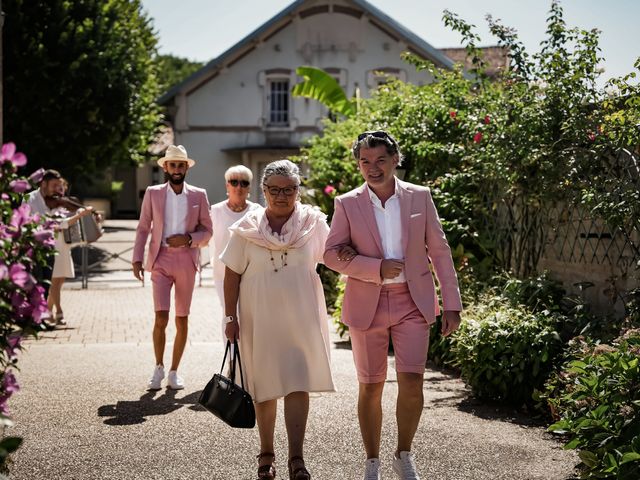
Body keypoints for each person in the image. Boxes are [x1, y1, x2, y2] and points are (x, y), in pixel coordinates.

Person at [323, 131, 463, 480]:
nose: (373, 168)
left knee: (413, 381)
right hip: (366, 302)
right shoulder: (347, 203)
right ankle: (372, 462)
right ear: (358, 164)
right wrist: (374, 268)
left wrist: (452, 303)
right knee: (370, 385)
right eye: (365, 162)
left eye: (380, 160)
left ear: (395, 159)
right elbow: (329, 254)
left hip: (413, 302)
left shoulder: (419, 197)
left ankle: (404, 454)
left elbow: (440, 251)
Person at [221, 159, 334, 480]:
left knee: (298, 383)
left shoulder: (314, 223)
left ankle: (297, 459)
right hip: (259, 318)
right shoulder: (246, 227)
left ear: (298, 191)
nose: (281, 196)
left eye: (289, 189)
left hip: (301, 317)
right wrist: (230, 317)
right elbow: (231, 275)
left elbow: (337, 257)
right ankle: (266, 454)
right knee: (264, 385)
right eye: (274, 190)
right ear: (264, 191)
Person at [132, 145, 212, 391]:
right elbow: (144, 226)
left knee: (182, 318)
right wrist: (137, 258)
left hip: (186, 261)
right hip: (160, 260)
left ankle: (175, 370)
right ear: (165, 167)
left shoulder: (199, 195)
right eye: (172, 165)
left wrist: (188, 239)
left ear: (186, 167)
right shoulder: (153, 193)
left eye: (180, 165)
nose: (177, 169)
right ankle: (158, 367)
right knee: (161, 317)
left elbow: (208, 231)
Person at [208, 165, 259, 343]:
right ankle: (231, 362)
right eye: (234, 182)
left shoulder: (257, 211)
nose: (239, 187)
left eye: (244, 183)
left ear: (249, 188)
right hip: (223, 274)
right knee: (229, 316)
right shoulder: (214, 211)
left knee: (249, 316)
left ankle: (247, 361)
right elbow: (206, 238)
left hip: (251, 274)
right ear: (226, 186)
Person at [47, 178, 95, 325]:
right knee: (55, 282)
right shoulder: (49, 206)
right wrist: (79, 215)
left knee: (59, 281)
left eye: (62, 187)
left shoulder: (64, 205)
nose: (60, 190)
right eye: (57, 187)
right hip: (55, 246)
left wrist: (87, 216)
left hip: (63, 247)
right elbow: (61, 224)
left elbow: (72, 224)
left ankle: (47, 313)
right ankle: (59, 311)